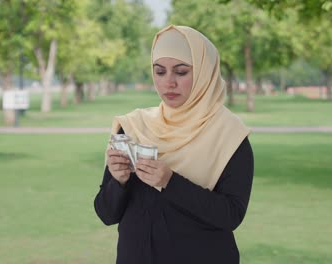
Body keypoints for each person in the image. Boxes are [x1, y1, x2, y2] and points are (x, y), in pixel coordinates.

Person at [94, 25, 254, 264]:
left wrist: (170, 182)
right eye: (160, 72)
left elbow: (231, 216)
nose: (168, 83)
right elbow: (107, 214)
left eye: (181, 72)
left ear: (204, 73)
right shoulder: (134, 127)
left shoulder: (229, 135)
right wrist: (119, 181)